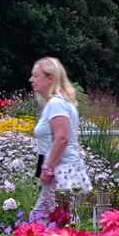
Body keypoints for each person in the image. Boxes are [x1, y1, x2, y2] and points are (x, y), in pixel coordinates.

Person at [29, 57, 91, 221]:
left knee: (40, 221)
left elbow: (62, 138)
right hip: (62, 170)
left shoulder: (56, 103)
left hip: (59, 172)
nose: (31, 80)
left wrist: (48, 169)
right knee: (64, 220)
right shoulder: (60, 102)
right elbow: (52, 142)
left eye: (36, 76)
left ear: (50, 78)